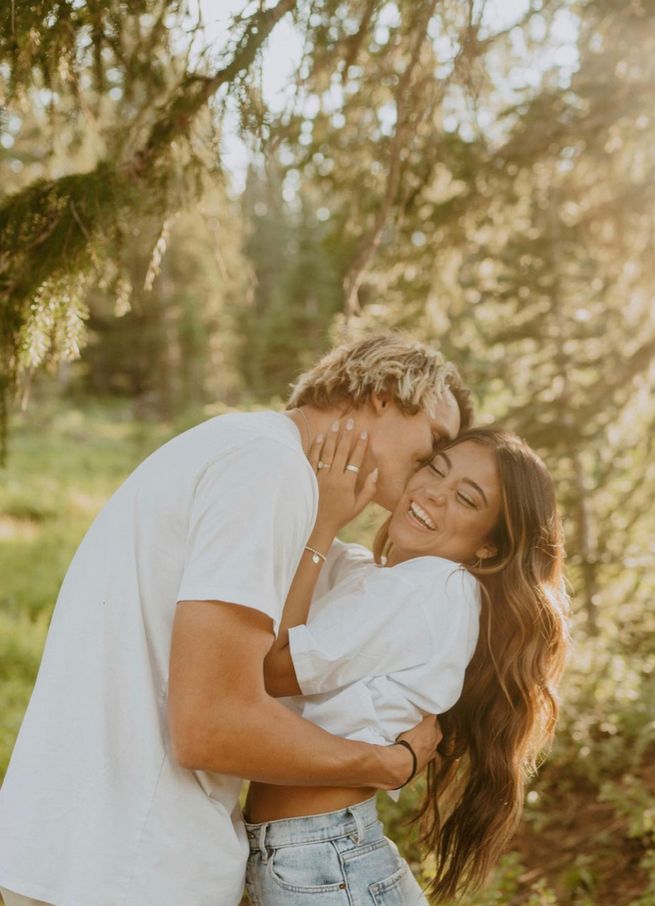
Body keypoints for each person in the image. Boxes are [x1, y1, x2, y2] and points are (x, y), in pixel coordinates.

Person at [0, 333, 473, 906]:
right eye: (434, 443)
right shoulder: (268, 470)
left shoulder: (234, 445)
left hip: (75, 851)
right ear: (383, 394)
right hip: (132, 868)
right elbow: (212, 726)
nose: (429, 469)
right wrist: (387, 762)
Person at [243, 425, 571, 905]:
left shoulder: (432, 588)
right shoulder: (380, 580)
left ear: (490, 546)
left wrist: (325, 525)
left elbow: (273, 670)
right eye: (435, 468)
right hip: (315, 858)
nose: (435, 493)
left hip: (322, 862)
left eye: (466, 498)